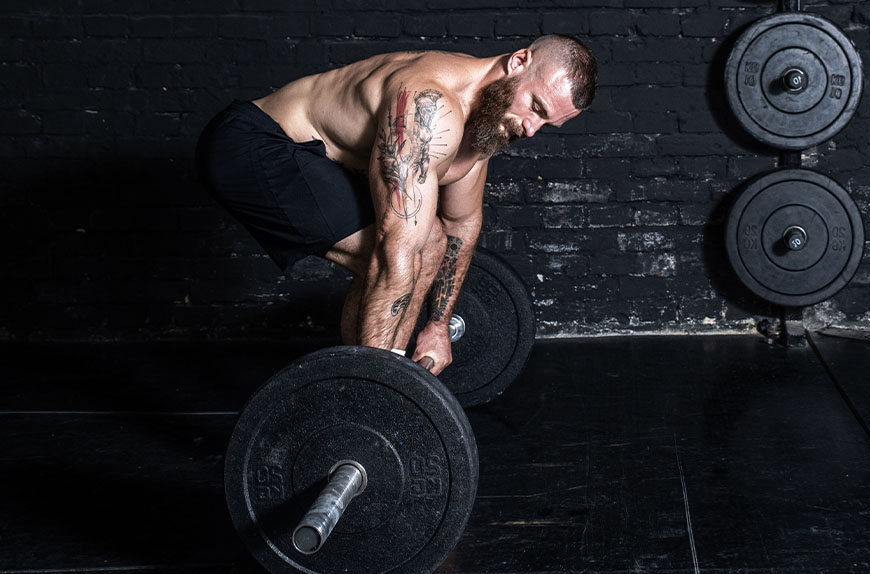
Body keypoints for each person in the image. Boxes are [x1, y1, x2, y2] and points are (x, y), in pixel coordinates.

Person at [196, 35, 597, 375]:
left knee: (432, 243)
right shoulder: (433, 107)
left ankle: (384, 374)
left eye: (547, 124)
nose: (531, 128)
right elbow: (396, 248)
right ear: (519, 61)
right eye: (537, 108)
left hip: (310, 157)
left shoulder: (489, 119)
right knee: (398, 253)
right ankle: (368, 390)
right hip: (253, 145)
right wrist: (383, 396)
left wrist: (438, 325)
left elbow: (461, 222)